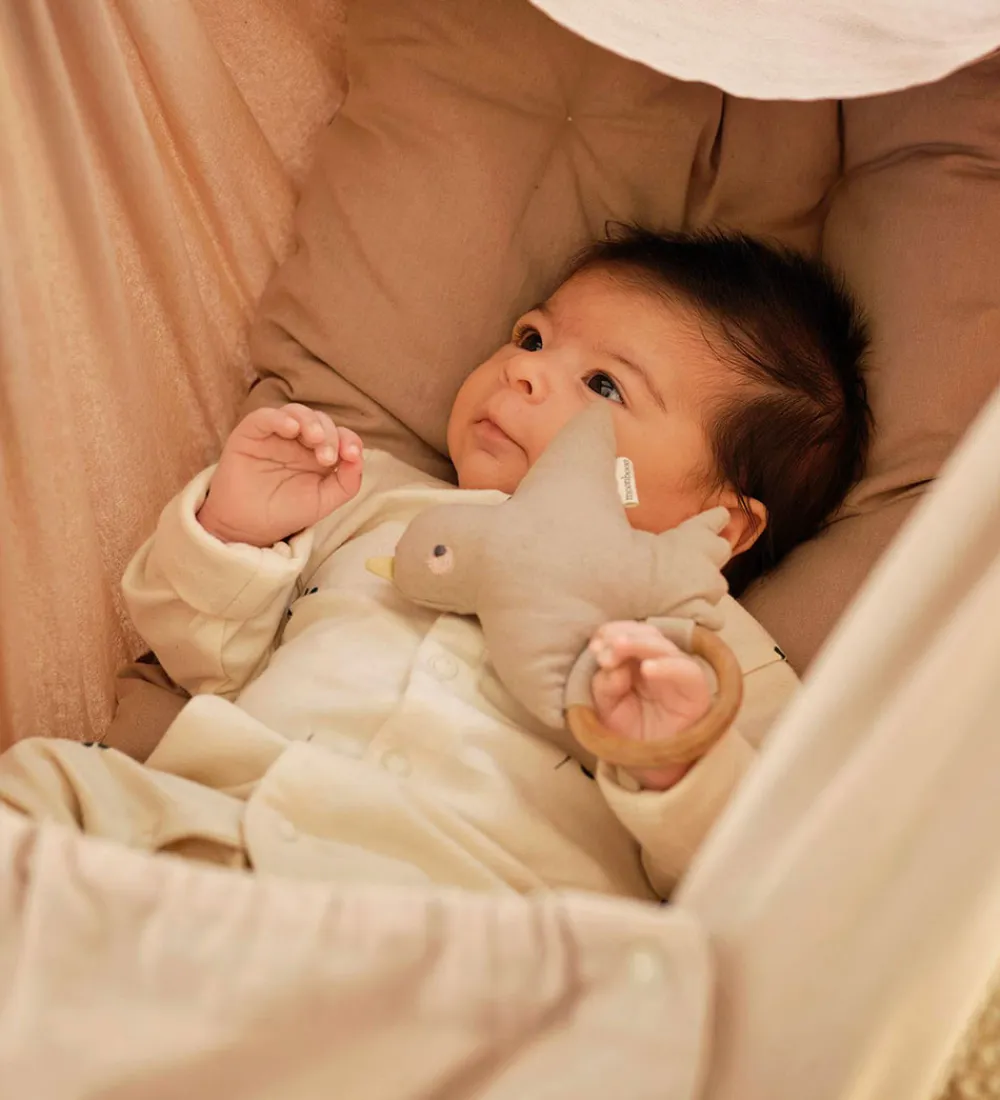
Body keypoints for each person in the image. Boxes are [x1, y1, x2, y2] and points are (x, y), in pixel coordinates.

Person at [0, 228, 870, 899]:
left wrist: (675, 763)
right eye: (533, 338)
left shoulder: (713, 652)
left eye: (605, 385)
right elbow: (206, 657)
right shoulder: (371, 497)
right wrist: (237, 532)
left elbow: (763, 874)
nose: (522, 372)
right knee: (47, 783)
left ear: (725, 522)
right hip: (222, 834)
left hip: (466, 918)